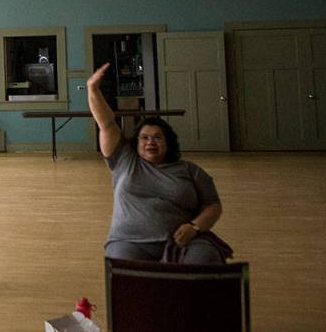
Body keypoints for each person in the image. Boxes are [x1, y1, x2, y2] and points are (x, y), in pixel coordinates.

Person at [86, 62, 227, 264]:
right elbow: (106, 124)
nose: (150, 142)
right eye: (144, 138)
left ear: (168, 142)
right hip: (128, 241)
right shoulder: (124, 160)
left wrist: (194, 227)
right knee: (125, 272)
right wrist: (93, 89)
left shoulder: (189, 170)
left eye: (157, 137)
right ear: (136, 143)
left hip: (184, 240)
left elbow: (213, 206)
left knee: (205, 260)